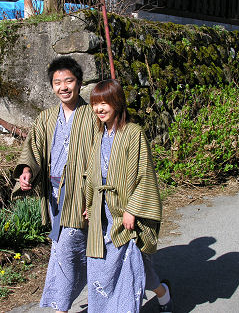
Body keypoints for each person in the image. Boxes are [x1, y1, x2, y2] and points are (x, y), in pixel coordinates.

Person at [12, 56, 97, 313]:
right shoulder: (46, 118)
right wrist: (27, 171)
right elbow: (34, 150)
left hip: (82, 194)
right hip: (54, 194)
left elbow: (103, 158)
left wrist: (94, 200)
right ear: (51, 86)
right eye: (57, 82)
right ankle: (94, 293)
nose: (63, 87)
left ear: (79, 83)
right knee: (66, 247)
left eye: (68, 81)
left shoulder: (93, 116)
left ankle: (60, 306)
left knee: (66, 248)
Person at [84, 79, 173, 313]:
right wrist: (89, 204)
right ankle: (160, 294)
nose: (99, 109)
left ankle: (158, 296)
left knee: (128, 268)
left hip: (125, 211)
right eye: (96, 104)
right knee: (102, 267)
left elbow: (144, 173)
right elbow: (92, 173)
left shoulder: (133, 133)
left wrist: (133, 209)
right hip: (102, 212)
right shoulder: (98, 134)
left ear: (117, 103)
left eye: (105, 103)